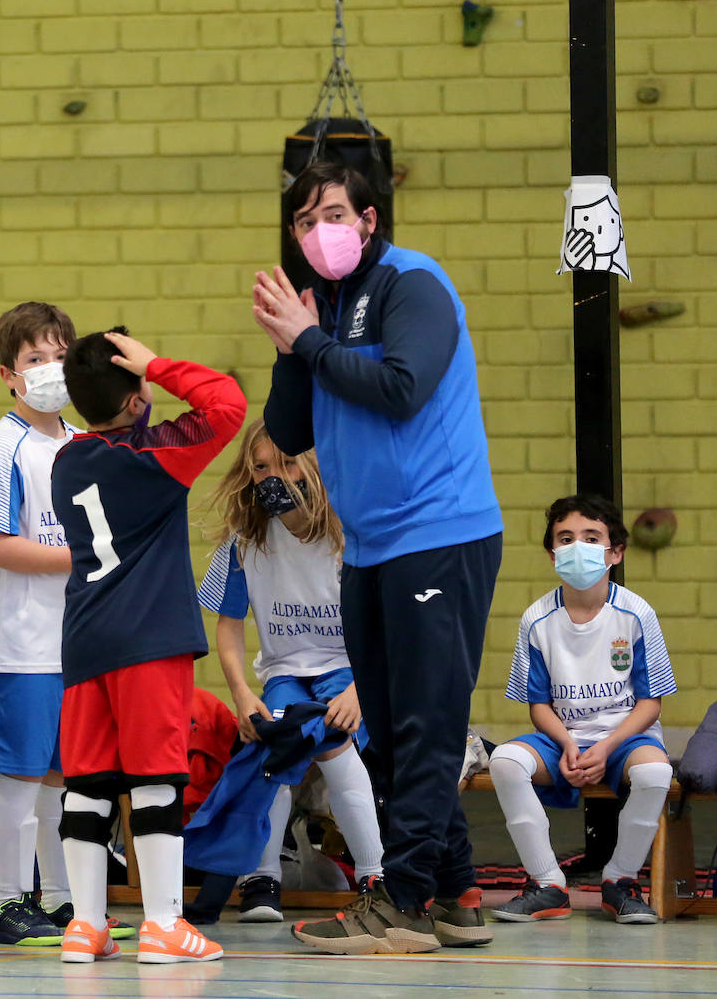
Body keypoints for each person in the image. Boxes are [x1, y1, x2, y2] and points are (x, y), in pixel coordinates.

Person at [255, 160, 503, 954]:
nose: (317, 229)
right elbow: (289, 433)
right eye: (302, 220)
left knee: (426, 727)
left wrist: (315, 341)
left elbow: (402, 386)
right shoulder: (318, 309)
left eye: (331, 212)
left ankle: (398, 900)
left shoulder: (411, 283)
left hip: (440, 532)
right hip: (369, 547)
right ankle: (457, 893)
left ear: (366, 220)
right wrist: (294, 344)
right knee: (390, 735)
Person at [52, 328, 245, 964]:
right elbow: (227, 404)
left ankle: (85, 926)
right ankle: (163, 924)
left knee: (87, 783)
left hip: (84, 642)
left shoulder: (67, 459)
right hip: (147, 642)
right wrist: (158, 365)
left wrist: (131, 384)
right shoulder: (157, 454)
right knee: (158, 780)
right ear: (136, 394)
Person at [196, 418, 390, 932]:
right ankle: (262, 877)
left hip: (351, 670)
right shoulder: (245, 539)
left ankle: (374, 876)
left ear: (315, 466)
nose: (273, 476)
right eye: (261, 467)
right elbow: (229, 625)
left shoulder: (353, 532)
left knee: (331, 741)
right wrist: (240, 692)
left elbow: (390, 628)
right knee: (271, 741)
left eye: (286, 464)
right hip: (285, 671)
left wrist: (360, 692)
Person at [489, 495, 676, 925]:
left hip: (625, 737)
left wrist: (608, 746)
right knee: (504, 761)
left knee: (654, 772)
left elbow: (651, 703)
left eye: (591, 538)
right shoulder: (536, 618)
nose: (578, 547)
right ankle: (548, 885)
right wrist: (569, 744)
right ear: (552, 553)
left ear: (616, 552)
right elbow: (538, 706)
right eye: (566, 538)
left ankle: (620, 882)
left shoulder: (636, 613)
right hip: (562, 739)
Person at [0, 301, 79, 947]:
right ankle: (8, 901)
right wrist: (77, 558)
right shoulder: (5, 447)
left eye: (59, 355)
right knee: (17, 773)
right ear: (11, 376)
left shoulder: (78, 443)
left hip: (70, 638)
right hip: (18, 641)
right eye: (36, 359)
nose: (50, 369)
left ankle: (63, 898)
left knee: (59, 776)